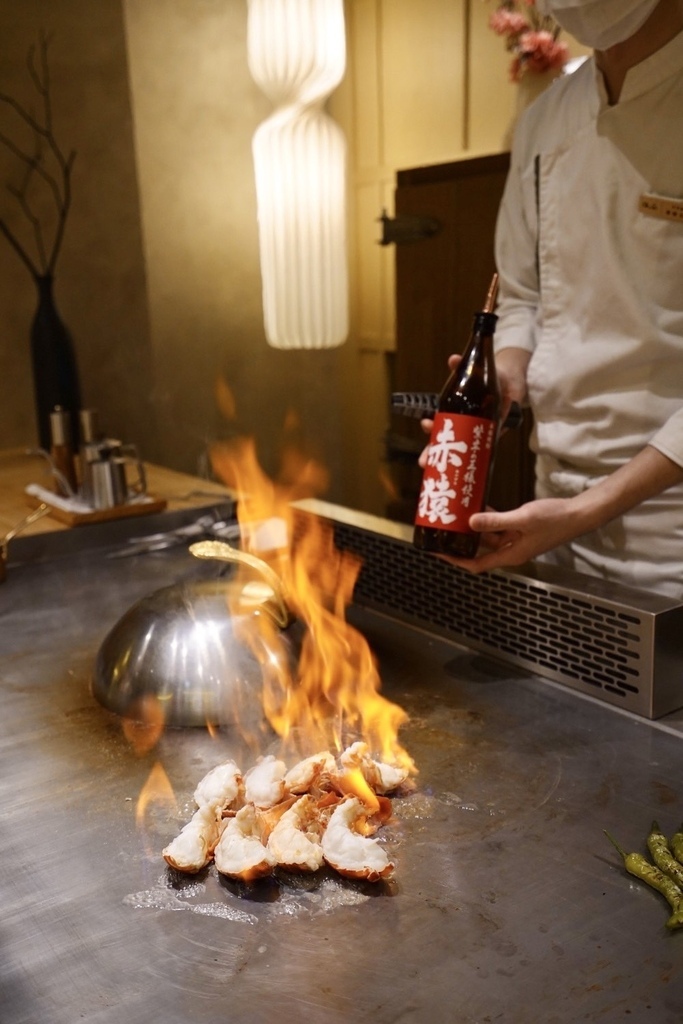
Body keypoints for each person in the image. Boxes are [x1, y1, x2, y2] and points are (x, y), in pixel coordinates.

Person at [436, 0, 683, 598]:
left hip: (670, 533)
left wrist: (591, 507)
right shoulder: (547, 118)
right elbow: (522, 294)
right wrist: (503, 374)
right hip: (554, 508)